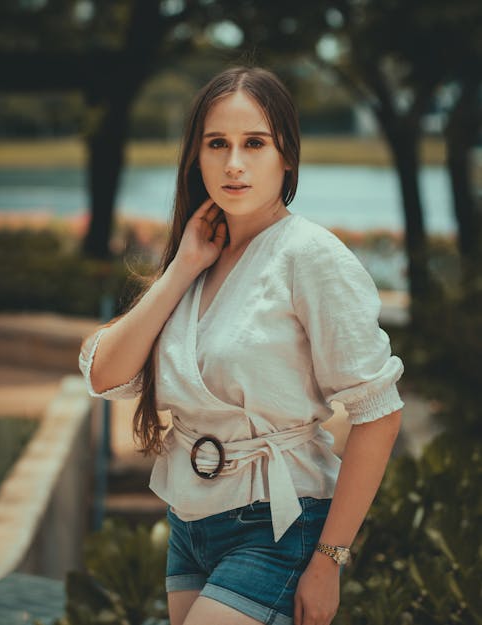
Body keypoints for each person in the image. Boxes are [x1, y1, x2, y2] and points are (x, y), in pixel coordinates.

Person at [79, 66, 404, 625]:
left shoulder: (311, 257)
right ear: (196, 158)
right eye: (217, 144)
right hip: (191, 520)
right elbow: (105, 376)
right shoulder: (196, 257)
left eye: (255, 143)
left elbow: (379, 412)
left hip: (280, 524)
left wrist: (329, 560)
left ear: (287, 157)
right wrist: (182, 268)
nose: (233, 163)